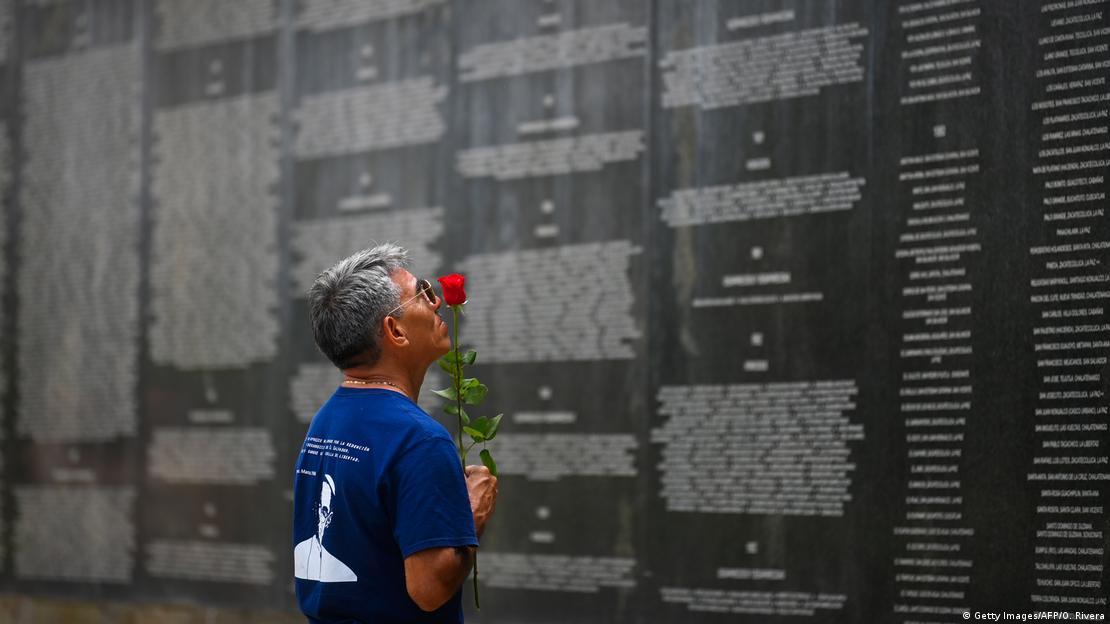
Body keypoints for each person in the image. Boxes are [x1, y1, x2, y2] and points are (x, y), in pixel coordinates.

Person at [293, 243, 498, 623]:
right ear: (395, 330)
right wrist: (472, 515)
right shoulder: (419, 440)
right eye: (422, 292)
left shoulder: (325, 422)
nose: (436, 303)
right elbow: (429, 590)